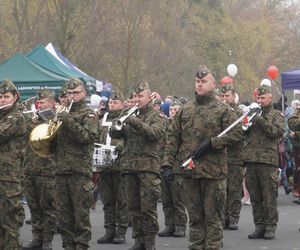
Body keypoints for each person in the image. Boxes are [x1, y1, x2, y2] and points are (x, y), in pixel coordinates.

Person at [162, 65, 243, 250]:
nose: (199, 84)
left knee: (213, 218)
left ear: (213, 85)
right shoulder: (186, 109)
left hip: (213, 173)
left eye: (204, 81)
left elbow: (237, 133)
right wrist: (167, 163)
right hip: (190, 172)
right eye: (197, 81)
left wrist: (213, 143)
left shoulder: (223, 110)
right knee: (195, 218)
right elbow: (173, 137)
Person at [110, 82, 167, 250]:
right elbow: (117, 135)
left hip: (148, 169)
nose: (136, 99)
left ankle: (149, 243)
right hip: (128, 167)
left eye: (140, 96)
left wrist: (133, 121)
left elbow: (154, 134)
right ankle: (138, 241)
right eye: (134, 96)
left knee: (148, 209)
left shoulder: (158, 117)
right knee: (133, 208)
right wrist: (115, 127)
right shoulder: (128, 114)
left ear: (150, 98)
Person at [54, 78, 99, 250]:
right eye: (69, 93)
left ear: (84, 94)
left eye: (76, 93)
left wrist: (67, 120)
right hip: (60, 169)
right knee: (64, 217)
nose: (72, 96)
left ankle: (81, 246)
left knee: (80, 216)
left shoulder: (88, 114)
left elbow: (87, 138)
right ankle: (68, 246)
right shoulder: (64, 112)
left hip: (79, 171)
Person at [243, 84, 284, 240]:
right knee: (255, 196)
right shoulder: (253, 114)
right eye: (258, 98)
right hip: (251, 160)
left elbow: (276, 132)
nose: (259, 101)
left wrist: (259, 120)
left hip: (267, 161)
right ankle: (259, 226)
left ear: (270, 97)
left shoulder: (276, 115)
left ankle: (270, 226)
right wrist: (246, 121)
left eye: (263, 98)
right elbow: (242, 133)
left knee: (269, 196)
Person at [22, 89, 57, 250]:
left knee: (47, 207)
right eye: (39, 102)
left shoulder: (56, 120)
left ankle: (47, 240)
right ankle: (37, 238)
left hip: (47, 170)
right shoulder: (33, 120)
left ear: (51, 103)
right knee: (34, 206)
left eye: (42, 102)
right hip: (30, 169)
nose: (39, 105)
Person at [95, 90, 129, 245]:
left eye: (115, 102)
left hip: (120, 165)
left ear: (122, 104)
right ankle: (109, 231)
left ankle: (121, 232)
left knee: (122, 200)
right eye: (110, 102)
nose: (112, 105)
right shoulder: (103, 118)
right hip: (105, 164)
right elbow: (98, 135)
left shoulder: (127, 118)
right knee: (108, 201)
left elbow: (128, 138)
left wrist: (119, 147)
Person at [0, 79, 27, 249]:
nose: (2, 100)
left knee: (10, 223)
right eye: (0, 96)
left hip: (10, 178)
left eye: (6, 96)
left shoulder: (16, 117)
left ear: (15, 97)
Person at [159, 99, 188, 238]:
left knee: (178, 200)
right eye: (172, 110)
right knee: (166, 199)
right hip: (164, 164)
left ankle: (180, 226)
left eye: (176, 110)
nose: (173, 112)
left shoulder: (185, 126)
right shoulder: (164, 124)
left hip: (178, 166)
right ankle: (169, 225)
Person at [219, 84, 244, 230]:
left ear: (233, 96)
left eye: (227, 95)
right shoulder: (218, 112)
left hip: (235, 157)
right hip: (220, 157)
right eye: (222, 96)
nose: (224, 98)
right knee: (221, 190)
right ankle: (223, 217)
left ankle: (233, 217)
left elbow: (240, 134)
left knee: (234, 189)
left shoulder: (239, 112)